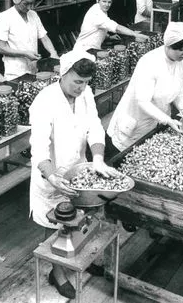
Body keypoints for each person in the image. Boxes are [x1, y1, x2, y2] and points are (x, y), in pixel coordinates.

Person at [29, 50, 121, 299]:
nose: (81, 88)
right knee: (55, 224)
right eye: (77, 82)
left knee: (81, 218)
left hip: (78, 169)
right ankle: (57, 273)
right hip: (51, 175)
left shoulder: (86, 94)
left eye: (86, 83)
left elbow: (94, 126)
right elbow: (37, 147)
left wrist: (98, 159)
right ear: (63, 73)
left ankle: (78, 256)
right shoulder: (44, 101)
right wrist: (52, 176)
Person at [106, 22, 183, 154]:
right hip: (136, 123)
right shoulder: (150, 62)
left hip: (158, 121)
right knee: (127, 157)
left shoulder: (182, 62)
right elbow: (143, 101)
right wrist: (167, 120)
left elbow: (179, 94)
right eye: (181, 49)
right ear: (168, 45)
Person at [0, 0, 59, 80]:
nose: (30, 7)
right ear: (16, 0)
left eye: (32, 3)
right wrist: (25, 53)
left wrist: (53, 53)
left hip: (34, 69)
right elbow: (1, 48)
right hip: (15, 72)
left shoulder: (33, 15)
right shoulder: (4, 17)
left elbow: (44, 37)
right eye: (26, 4)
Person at [73, 0, 147, 52]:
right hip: (85, 49)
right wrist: (135, 34)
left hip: (92, 48)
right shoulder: (96, 13)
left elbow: (97, 29)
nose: (107, 4)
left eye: (109, 2)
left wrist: (109, 37)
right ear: (98, 1)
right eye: (104, 1)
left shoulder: (101, 10)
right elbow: (116, 27)